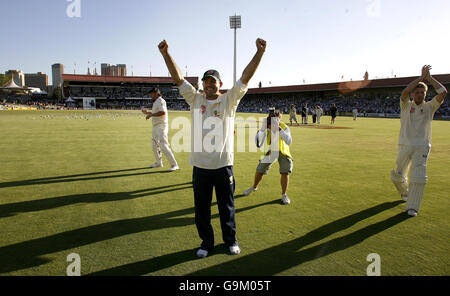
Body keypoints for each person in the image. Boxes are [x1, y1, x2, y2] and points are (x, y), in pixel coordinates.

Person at [158, 38, 266, 257]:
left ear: (220, 83)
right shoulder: (195, 99)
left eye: (212, 81)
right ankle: (206, 243)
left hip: (223, 165)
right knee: (202, 210)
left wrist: (259, 53)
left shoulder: (229, 100)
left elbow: (245, 77)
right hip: (200, 166)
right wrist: (166, 54)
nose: (208, 84)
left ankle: (230, 240)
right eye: (205, 81)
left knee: (226, 207)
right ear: (202, 84)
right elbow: (178, 78)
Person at [390, 65, 447, 217]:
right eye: (417, 92)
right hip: (405, 144)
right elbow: (404, 92)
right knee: (396, 176)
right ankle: (405, 193)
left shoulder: (430, 107)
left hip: (422, 146)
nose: (420, 94)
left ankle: (412, 207)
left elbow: (443, 92)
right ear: (413, 94)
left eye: (422, 92)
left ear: (425, 94)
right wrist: (420, 78)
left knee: (419, 175)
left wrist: (429, 79)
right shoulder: (406, 106)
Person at [243, 109, 293, 205]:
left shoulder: (284, 127)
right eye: (272, 119)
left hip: (283, 151)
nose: (274, 122)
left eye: (276, 119)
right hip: (270, 151)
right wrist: (262, 129)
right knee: (260, 170)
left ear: (279, 119)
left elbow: (289, 141)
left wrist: (279, 129)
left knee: (285, 171)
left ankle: (284, 194)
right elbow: (258, 143)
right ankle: (254, 186)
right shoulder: (266, 127)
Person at [141, 87, 179, 171]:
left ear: (157, 93)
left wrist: (151, 115)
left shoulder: (161, 101)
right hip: (155, 126)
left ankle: (174, 164)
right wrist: (147, 113)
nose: (151, 95)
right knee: (154, 145)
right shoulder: (155, 102)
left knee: (163, 145)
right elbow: (155, 113)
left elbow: (162, 112)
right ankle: (159, 162)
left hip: (161, 126)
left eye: (152, 94)